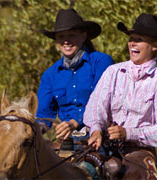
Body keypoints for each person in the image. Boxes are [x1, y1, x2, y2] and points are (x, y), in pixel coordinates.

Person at [84, 13, 157, 179]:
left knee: (130, 174)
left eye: (139, 39)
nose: (132, 43)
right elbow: (95, 107)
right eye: (131, 38)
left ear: (155, 46)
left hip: (139, 150)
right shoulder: (113, 72)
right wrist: (96, 130)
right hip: (104, 144)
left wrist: (128, 133)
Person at [36, 8, 114, 150]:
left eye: (71, 35)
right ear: (56, 41)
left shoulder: (101, 62)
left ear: (84, 36)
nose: (66, 41)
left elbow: (102, 101)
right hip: (67, 143)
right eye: (61, 37)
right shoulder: (50, 75)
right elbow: (43, 116)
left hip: (100, 139)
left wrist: (74, 122)